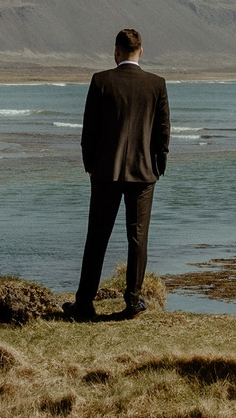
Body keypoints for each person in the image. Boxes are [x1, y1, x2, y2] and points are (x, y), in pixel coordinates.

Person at [71, 26, 171, 321]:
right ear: (141, 51)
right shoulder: (156, 84)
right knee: (138, 238)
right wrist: (158, 166)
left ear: (116, 52)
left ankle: (85, 302)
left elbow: (88, 131)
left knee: (97, 237)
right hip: (143, 174)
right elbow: (162, 132)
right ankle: (133, 300)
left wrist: (90, 166)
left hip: (105, 172)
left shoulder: (101, 81)